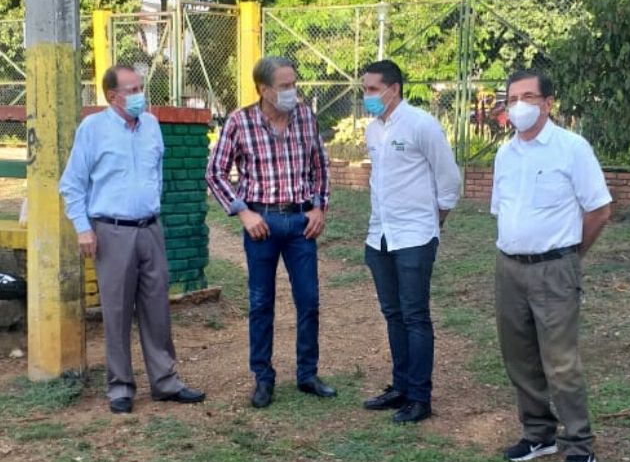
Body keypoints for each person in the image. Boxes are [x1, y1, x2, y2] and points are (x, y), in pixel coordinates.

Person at [59, 65, 206, 414]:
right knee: (117, 310)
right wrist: (83, 228)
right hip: (111, 231)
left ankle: (165, 382)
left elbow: (155, 175)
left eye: (141, 86)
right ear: (112, 96)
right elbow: (72, 184)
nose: (140, 93)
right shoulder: (93, 129)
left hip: (150, 229)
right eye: (132, 88)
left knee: (157, 309)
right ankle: (120, 387)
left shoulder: (152, 126)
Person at [491, 69, 612, 462]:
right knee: (519, 357)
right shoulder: (505, 154)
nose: (519, 105)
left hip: (554, 269)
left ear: (547, 103)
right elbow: (501, 211)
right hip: (509, 268)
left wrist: (570, 257)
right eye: (513, 98)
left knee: (560, 364)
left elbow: (599, 209)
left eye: (528, 97)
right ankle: (538, 433)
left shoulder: (571, 149)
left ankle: (579, 446)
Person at [206, 55, 335, 409]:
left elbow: (320, 166)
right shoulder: (240, 122)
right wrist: (243, 212)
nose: (292, 91)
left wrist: (319, 207)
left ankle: (307, 373)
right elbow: (215, 173)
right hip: (261, 224)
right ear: (264, 90)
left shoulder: (306, 117)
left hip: (299, 224)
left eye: (294, 83)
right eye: (284, 86)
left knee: (309, 300)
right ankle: (263, 377)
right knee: (261, 303)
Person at [361, 59, 461, 424]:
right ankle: (400, 386)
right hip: (380, 236)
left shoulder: (422, 125)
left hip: (415, 236)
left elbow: (448, 179)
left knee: (415, 315)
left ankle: (420, 397)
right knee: (393, 314)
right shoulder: (374, 130)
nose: (367, 96)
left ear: (394, 89)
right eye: (365, 89)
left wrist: (434, 223)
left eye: (372, 89)